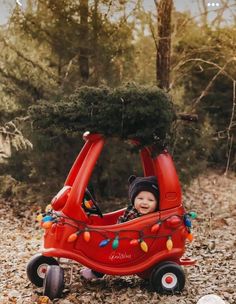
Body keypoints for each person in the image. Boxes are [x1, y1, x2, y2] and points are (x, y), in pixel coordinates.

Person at [80, 175, 159, 280]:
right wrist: (116, 227)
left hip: (132, 246)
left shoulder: (152, 218)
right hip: (123, 238)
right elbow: (122, 220)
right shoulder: (131, 211)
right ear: (133, 199)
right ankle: (95, 268)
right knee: (104, 245)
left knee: (108, 252)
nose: (144, 202)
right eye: (140, 198)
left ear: (157, 203)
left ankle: (97, 272)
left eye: (150, 200)